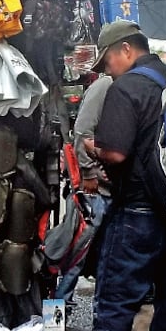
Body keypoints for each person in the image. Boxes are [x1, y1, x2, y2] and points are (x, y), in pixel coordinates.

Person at [83, 20, 166, 331]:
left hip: (139, 212)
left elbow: (115, 153)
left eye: (107, 61)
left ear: (126, 50)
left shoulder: (126, 87)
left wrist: (93, 147)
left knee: (115, 300)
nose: (107, 70)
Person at [54, 74, 113, 303]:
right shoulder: (105, 85)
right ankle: (56, 310)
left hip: (107, 187)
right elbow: (82, 131)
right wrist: (88, 172)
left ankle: (69, 307)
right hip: (93, 188)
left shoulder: (116, 85)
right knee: (76, 252)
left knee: (99, 254)